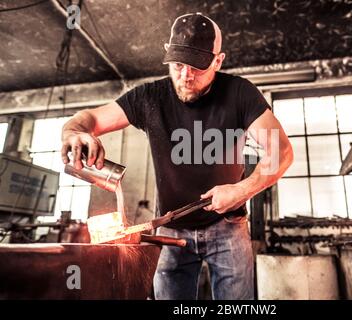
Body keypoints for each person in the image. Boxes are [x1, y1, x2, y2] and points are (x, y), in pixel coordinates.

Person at [61, 12, 293, 300]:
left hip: (229, 227)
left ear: (218, 61)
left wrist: (241, 190)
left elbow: (281, 151)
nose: (185, 76)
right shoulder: (149, 97)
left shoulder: (240, 94)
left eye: (197, 66)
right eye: (178, 64)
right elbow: (88, 119)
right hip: (169, 229)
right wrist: (74, 132)